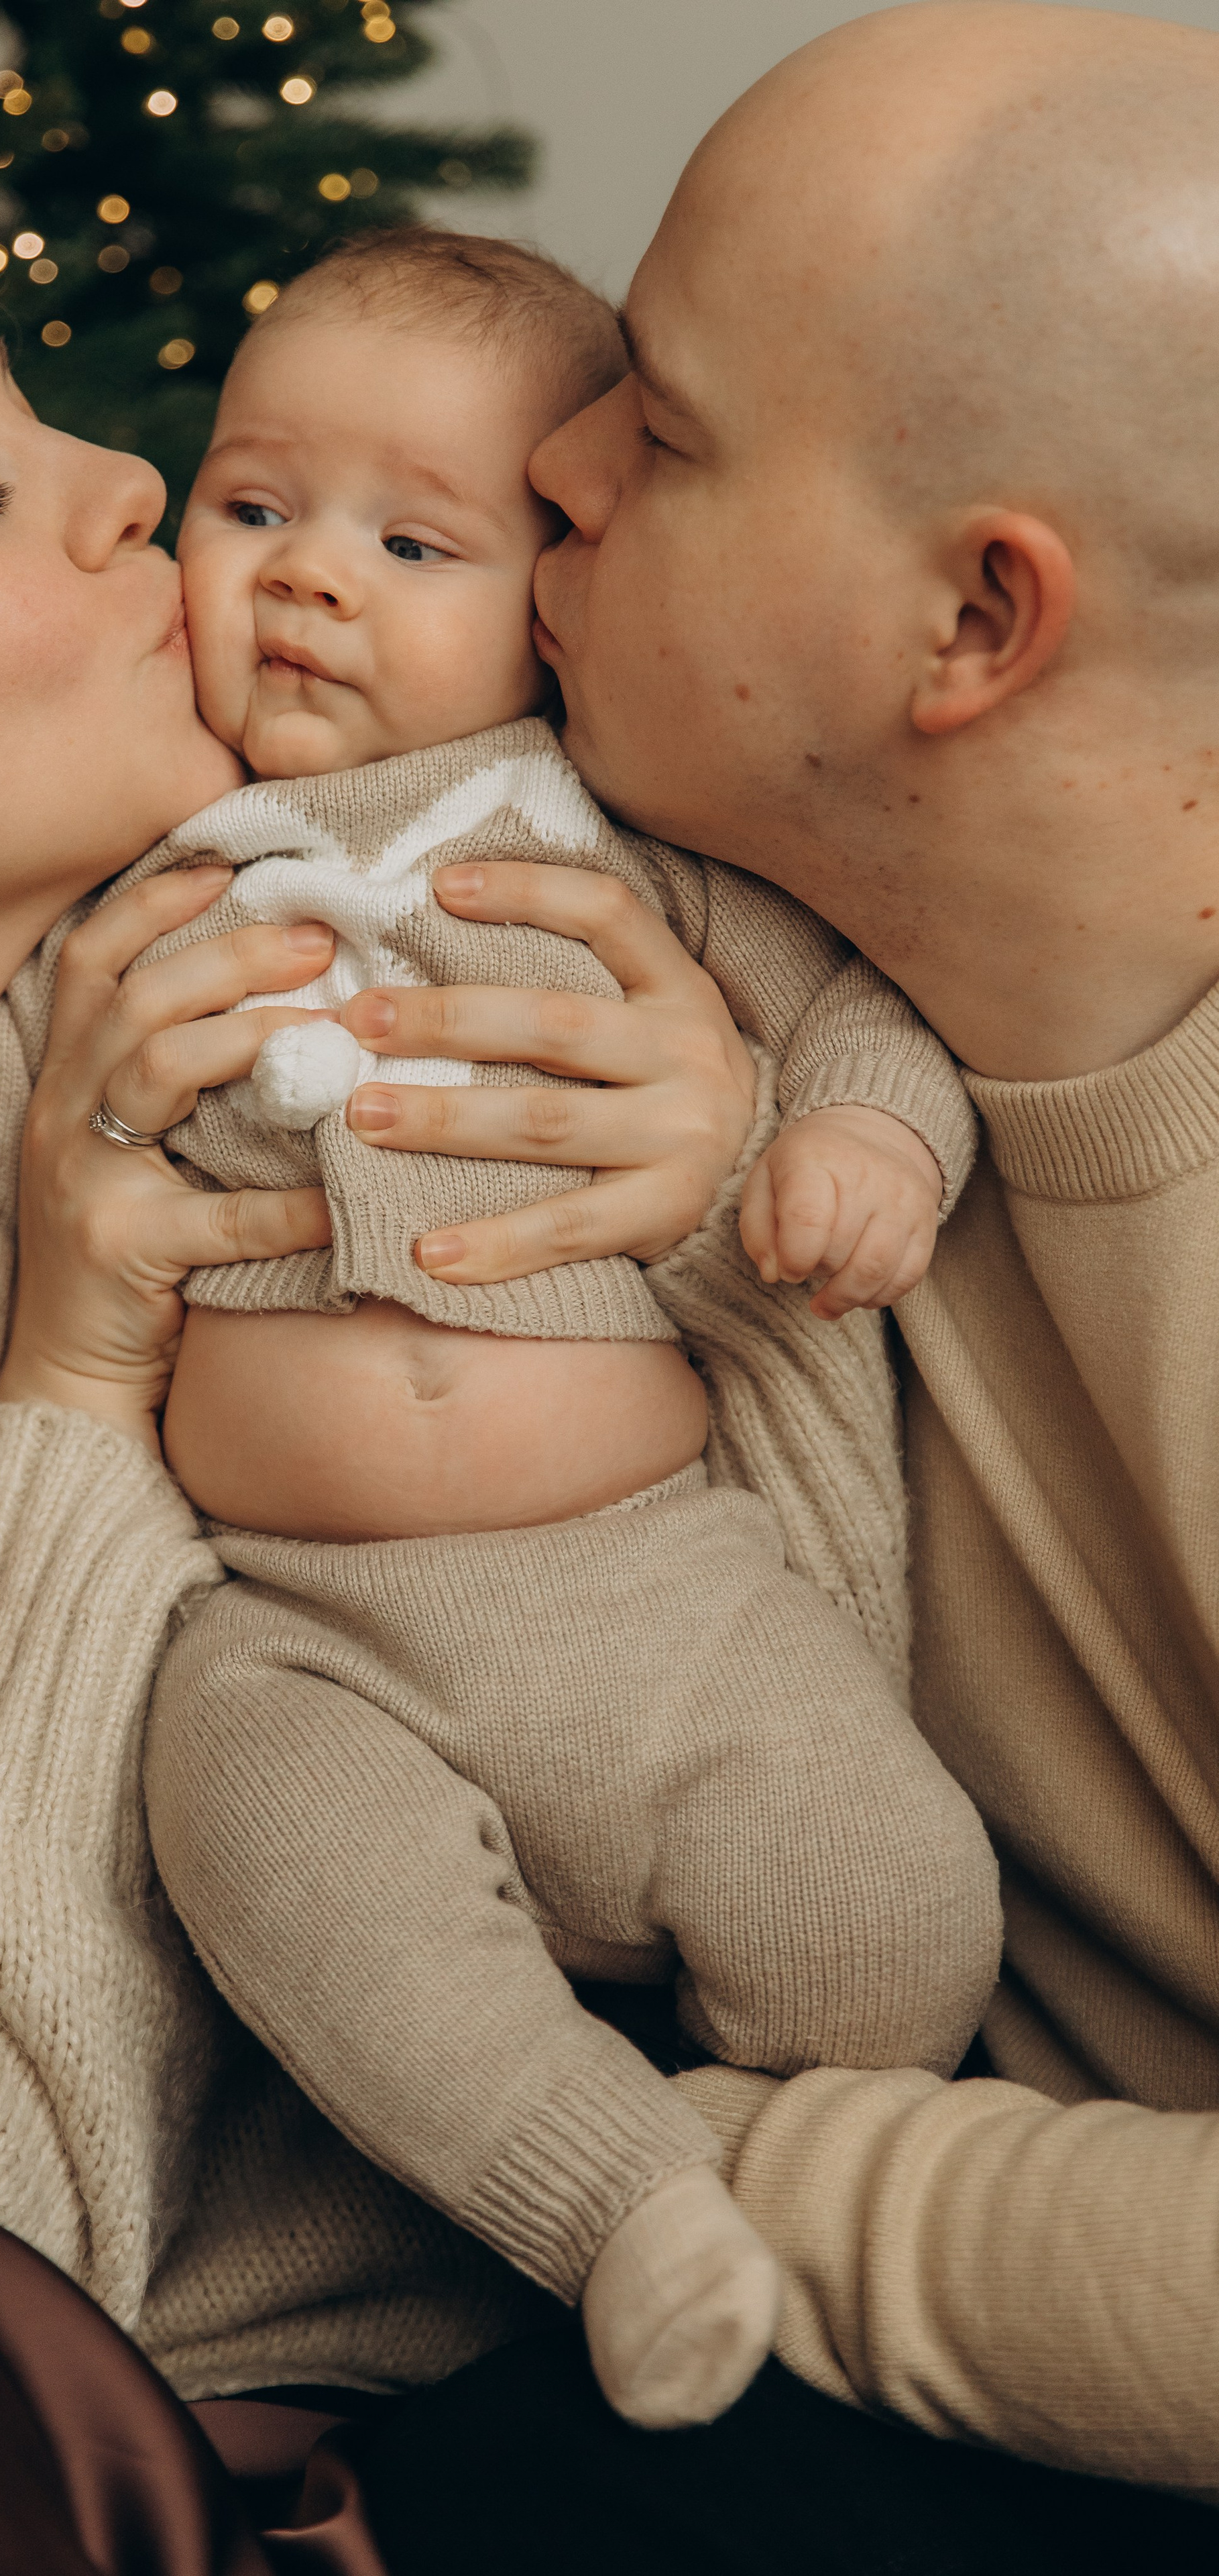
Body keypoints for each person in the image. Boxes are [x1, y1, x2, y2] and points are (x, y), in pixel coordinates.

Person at [0, 172, 756, 2561]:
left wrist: (726, 1232)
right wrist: (67, 1393)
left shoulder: (413, 990)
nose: (129, 489)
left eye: (61, 432)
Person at [0, 222, 1000, 2440]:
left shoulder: (620, 856)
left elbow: (862, 1016)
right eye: (254, 507)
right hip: (300, 1625)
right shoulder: (135, 901)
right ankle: (612, 2204)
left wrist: (865, 1151)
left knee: (890, 1910)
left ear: (554, 592)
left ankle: (784, 2185)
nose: (306, 578)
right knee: (268, 1849)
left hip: (659, 1587)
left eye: (411, 537)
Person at [508, 0, 1219, 2510]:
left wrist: (654, 2168)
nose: (548, 469)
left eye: (665, 431)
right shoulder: (723, 981)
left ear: (972, 628)